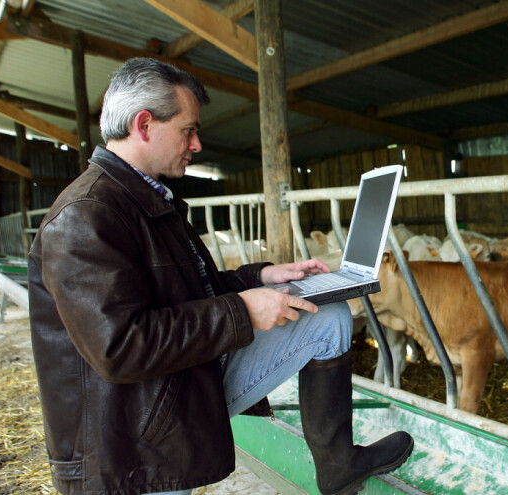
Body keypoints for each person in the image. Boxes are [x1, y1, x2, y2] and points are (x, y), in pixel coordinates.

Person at [28, 57, 413, 495]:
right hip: (129, 436)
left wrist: (262, 277)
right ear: (144, 125)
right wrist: (242, 311)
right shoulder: (86, 215)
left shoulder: (147, 198)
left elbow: (195, 291)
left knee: (329, 316)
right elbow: (120, 348)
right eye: (188, 130)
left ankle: (338, 464)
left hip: (172, 384)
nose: (196, 144)